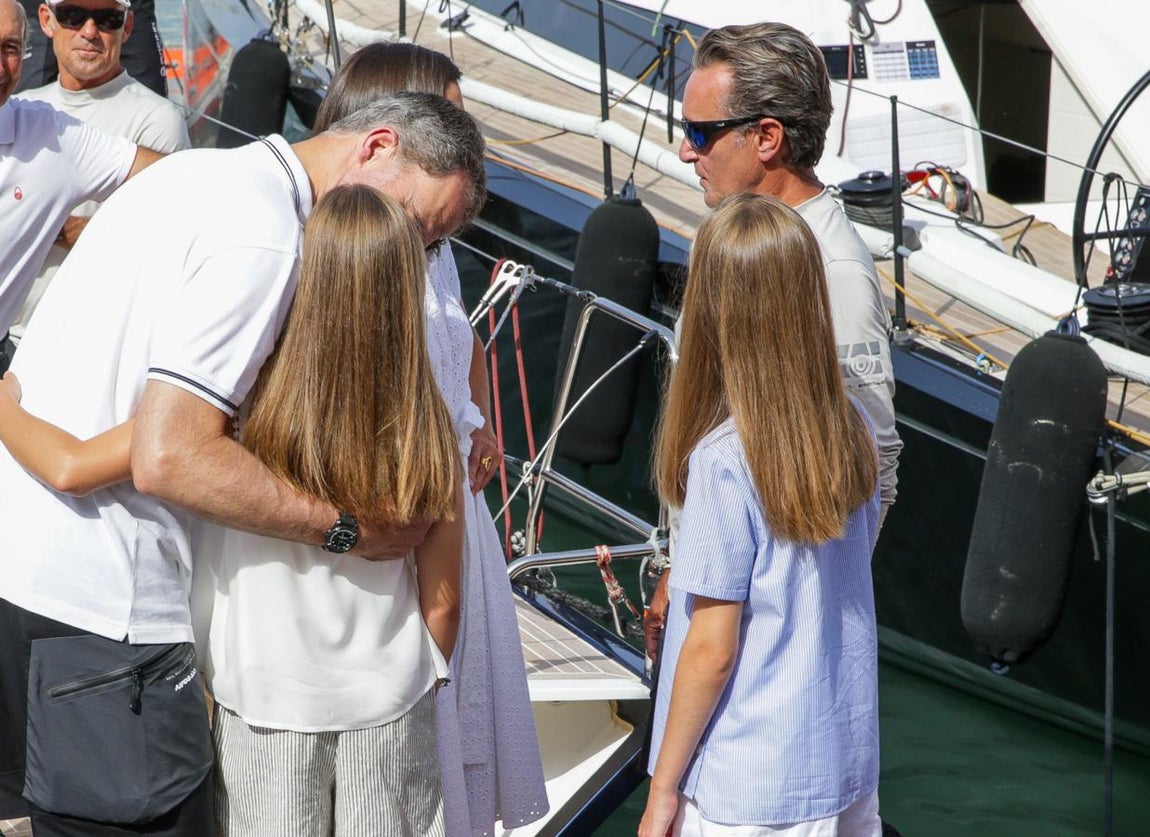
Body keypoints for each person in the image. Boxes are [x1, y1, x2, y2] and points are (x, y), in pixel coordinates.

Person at [0, 92, 486, 835]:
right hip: (120, 615)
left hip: (230, 685)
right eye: (418, 228)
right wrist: (350, 535)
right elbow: (171, 454)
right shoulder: (271, 245)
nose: (416, 254)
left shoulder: (191, 177)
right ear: (378, 145)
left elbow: (78, 462)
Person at [310, 42, 549, 836]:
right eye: (447, 112)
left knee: (459, 717)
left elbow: (463, 338)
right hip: (407, 505)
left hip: (453, 504)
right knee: (422, 714)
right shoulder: (360, 244)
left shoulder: (434, 241)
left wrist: (476, 419)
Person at [639, 193, 882, 837]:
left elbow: (712, 650)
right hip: (840, 766)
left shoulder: (724, 461)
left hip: (745, 781)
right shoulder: (852, 429)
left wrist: (662, 791)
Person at [678, 21, 900, 517]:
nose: (685, 151)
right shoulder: (727, 233)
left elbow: (874, 461)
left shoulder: (834, 268)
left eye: (699, 133)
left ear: (766, 137)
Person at [10, 0, 189, 344]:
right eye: (73, 16)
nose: (90, 31)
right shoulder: (23, 108)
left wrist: (64, 227)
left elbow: (172, 240)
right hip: (12, 337)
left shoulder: (157, 121)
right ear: (47, 20)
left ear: (127, 26)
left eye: (107, 19)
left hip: (92, 345)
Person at [16, 0, 166, 96]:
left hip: (122, 6)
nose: (89, 32)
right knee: (27, 109)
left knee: (151, 100)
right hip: (48, 6)